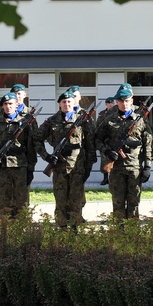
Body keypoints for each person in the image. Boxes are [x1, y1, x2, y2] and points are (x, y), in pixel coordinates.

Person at [35, 90, 97, 227]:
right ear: (59, 104)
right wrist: (47, 157)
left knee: (76, 200)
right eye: (64, 102)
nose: (67, 104)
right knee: (61, 200)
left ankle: (75, 230)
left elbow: (90, 144)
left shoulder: (82, 121)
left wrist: (89, 165)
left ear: (74, 103)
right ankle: (62, 230)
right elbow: (37, 139)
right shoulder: (51, 121)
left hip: (77, 167)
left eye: (69, 101)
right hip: (59, 167)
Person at [95, 87, 153, 220]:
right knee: (118, 202)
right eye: (121, 101)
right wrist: (107, 151)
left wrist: (148, 166)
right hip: (116, 168)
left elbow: (148, 143)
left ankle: (132, 233)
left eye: (127, 101)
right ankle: (119, 233)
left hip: (135, 168)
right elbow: (97, 139)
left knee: (134, 202)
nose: (124, 104)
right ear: (116, 102)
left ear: (131, 101)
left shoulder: (140, 120)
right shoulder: (109, 120)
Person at [0, 92, 37, 219]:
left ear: (16, 104)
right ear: (2, 106)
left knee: (22, 202)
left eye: (11, 103)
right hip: (2, 166)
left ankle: (22, 234)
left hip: (21, 166)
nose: (8, 106)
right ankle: (4, 234)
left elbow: (32, 145)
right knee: (3, 201)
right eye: (5, 104)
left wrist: (31, 167)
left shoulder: (25, 122)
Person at [96, 96, 116, 185]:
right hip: (104, 141)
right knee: (104, 160)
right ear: (106, 104)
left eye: (112, 103)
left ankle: (113, 178)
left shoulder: (117, 113)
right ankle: (105, 178)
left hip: (114, 140)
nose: (111, 105)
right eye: (109, 103)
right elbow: (97, 127)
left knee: (114, 159)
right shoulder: (102, 114)